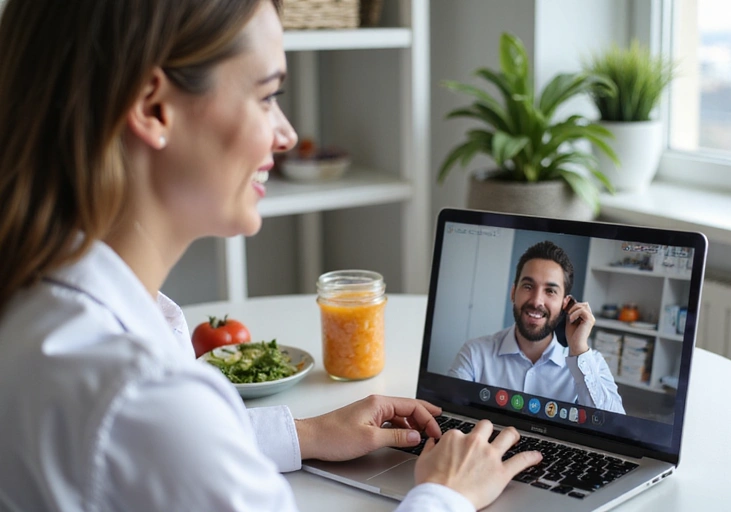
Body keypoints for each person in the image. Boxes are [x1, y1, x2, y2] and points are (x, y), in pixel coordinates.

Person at [0, 1, 543, 510]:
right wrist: (447, 494)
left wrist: (303, 433)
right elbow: (162, 436)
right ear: (154, 108)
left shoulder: (39, 307)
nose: (286, 135)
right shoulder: (145, 402)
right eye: (265, 96)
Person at [448, 241, 625, 414]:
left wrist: (578, 351)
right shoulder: (474, 354)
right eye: (528, 286)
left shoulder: (591, 363)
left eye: (550, 291)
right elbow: (449, 412)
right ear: (513, 292)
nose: (536, 301)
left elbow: (615, 428)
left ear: (566, 304)